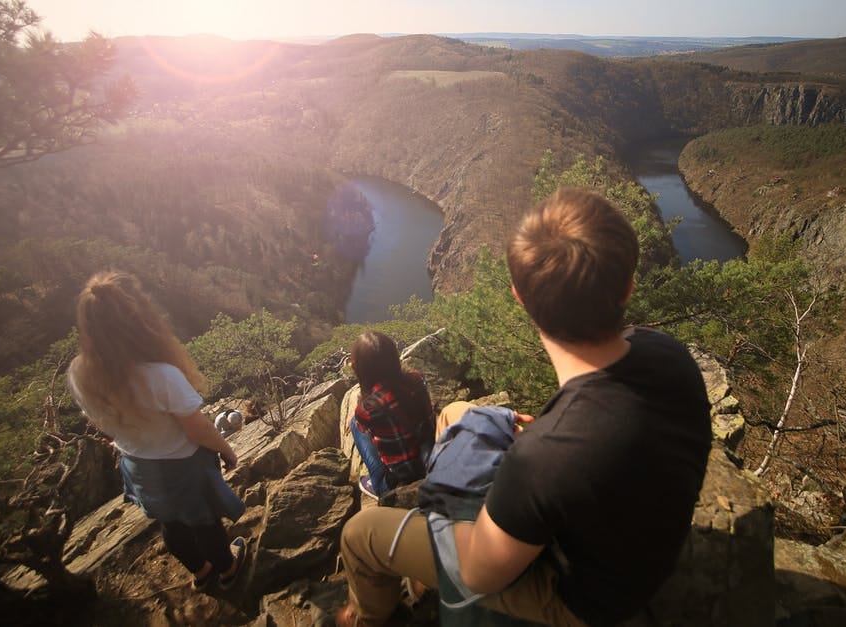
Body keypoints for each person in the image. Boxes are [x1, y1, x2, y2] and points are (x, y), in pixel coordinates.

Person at [337, 188, 713, 626]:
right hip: (635, 539)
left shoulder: (546, 459)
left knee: (359, 535)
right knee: (456, 413)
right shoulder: (669, 354)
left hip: (585, 602)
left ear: (520, 298)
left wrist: (447, 516)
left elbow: (478, 571)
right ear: (628, 285)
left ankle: (371, 617)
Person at [68, 271, 248, 592]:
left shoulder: (81, 373)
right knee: (205, 522)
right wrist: (226, 449)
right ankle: (228, 569)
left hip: (138, 466)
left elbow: (99, 421)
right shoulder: (161, 376)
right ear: (139, 321)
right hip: (184, 466)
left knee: (171, 523)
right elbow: (198, 429)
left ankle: (201, 571)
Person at [348, 331, 434, 499]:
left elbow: (368, 426)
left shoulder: (368, 409)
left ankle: (379, 485)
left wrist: (358, 414)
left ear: (359, 368)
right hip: (427, 463)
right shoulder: (417, 379)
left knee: (355, 426)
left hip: (396, 482)